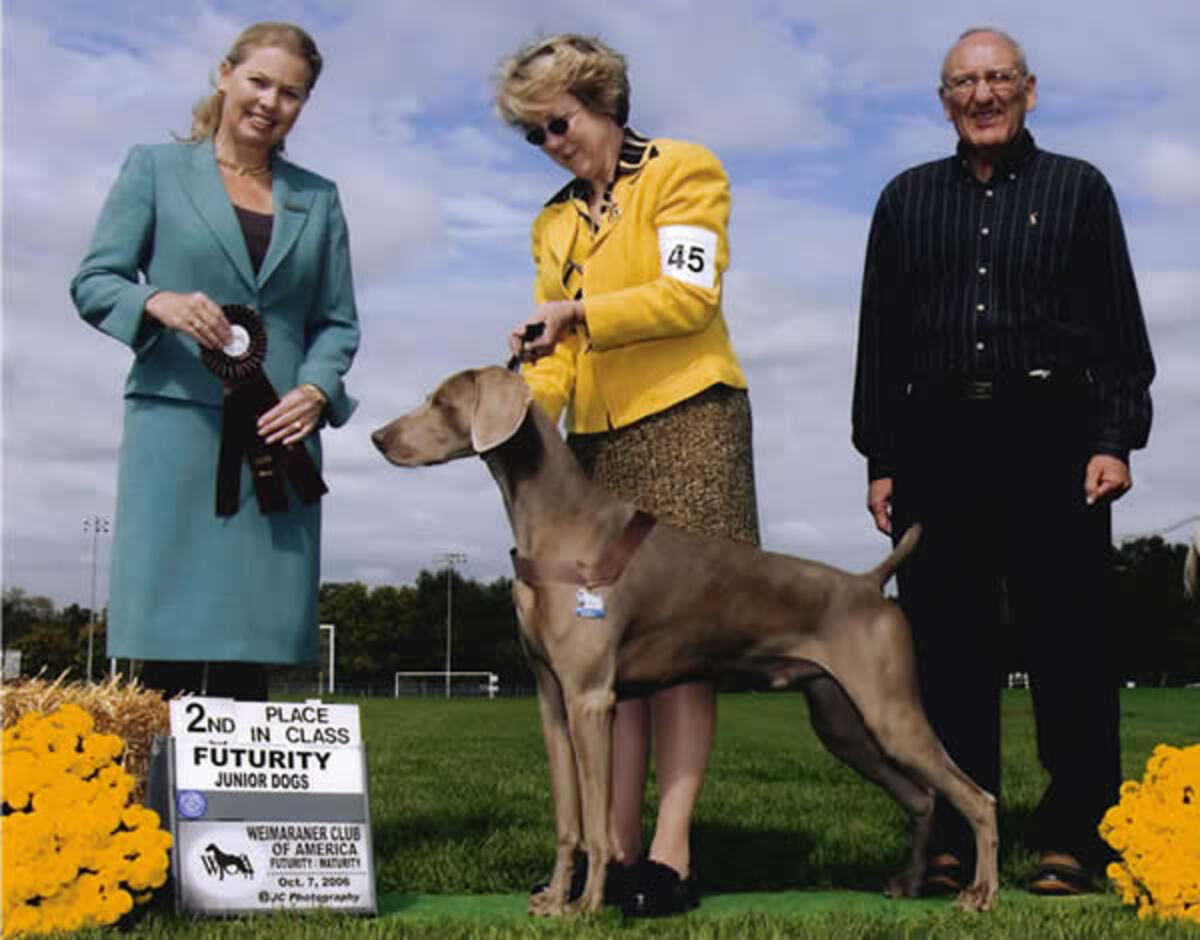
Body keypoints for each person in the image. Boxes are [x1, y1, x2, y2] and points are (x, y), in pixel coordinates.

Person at [852, 27, 1154, 895]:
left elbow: (1121, 330)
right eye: (964, 83)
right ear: (944, 100)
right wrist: (882, 456)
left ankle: (1075, 839)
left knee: (1072, 644)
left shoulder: (1079, 191)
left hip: (1055, 433)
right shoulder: (905, 201)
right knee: (945, 650)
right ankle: (951, 835)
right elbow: (880, 342)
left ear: (1028, 89)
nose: (982, 95)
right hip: (938, 436)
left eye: (997, 79)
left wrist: (1114, 437)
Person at [495, 34, 759, 916]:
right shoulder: (553, 222)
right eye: (534, 136)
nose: (551, 146)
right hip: (595, 454)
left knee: (682, 644)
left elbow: (691, 297)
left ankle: (670, 855)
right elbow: (558, 363)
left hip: (690, 424)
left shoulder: (683, 171)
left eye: (557, 124)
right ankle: (607, 851)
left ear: (601, 98)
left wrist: (576, 312)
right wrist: (518, 410)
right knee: (608, 648)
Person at [71, 22, 360, 702]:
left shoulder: (319, 199)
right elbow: (95, 281)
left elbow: (336, 322)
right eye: (259, 81)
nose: (270, 102)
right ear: (225, 74)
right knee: (163, 641)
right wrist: (158, 301)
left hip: (277, 436)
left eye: (292, 93)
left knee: (249, 641)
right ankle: (142, 806)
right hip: (175, 433)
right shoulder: (154, 169)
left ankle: (238, 805)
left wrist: (317, 391)